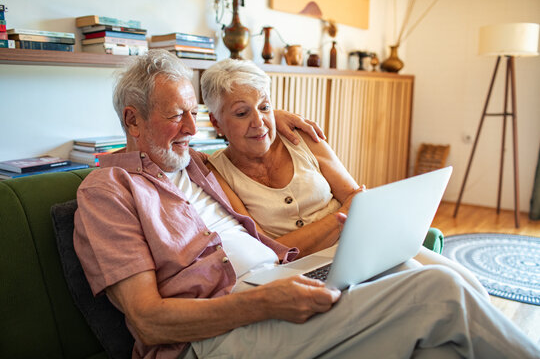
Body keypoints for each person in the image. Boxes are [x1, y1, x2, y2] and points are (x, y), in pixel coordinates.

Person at [74, 50, 540, 359]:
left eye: (193, 115)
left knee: (440, 343)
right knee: (437, 289)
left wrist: (273, 115)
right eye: (177, 116)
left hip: (279, 280)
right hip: (218, 334)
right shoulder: (108, 191)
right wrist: (265, 302)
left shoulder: (191, 163)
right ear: (132, 120)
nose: (192, 129)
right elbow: (148, 321)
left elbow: (236, 118)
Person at [201, 58, 489, 295]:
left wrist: (350, 213)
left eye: (265, 108)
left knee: (468, 284)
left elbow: (354, 196)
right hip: (305, 268)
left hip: (359, 244)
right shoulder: (215, 171)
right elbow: (268, 248)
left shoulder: (300, 138)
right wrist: (339, 218)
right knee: (434, 289)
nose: (259, 123)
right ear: (215, 122)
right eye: (241, 113)